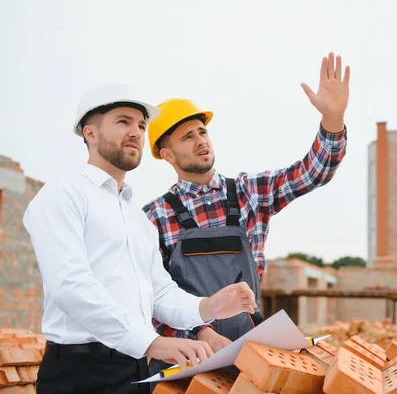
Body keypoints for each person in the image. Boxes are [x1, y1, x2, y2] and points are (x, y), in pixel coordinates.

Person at [23, 83, 258, 393]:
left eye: (141, 125)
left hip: (136, 371)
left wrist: (209, 307)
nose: (136, 131)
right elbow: (70, 285)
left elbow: (160, 295)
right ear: (90, 133)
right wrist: (151, 342)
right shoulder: (62, 195)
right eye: (123, 121)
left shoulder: (138, 219)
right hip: (79, 375)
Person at [142, 52, 350, 354]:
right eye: (188, 137)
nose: (201, 140)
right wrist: (199, 333)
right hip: (186, 357)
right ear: (167, 154)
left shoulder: (249, 193)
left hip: (248, 348)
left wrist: (333, 118)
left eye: (203, 131)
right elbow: (149, 297)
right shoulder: (154, 217)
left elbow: (313, 172)